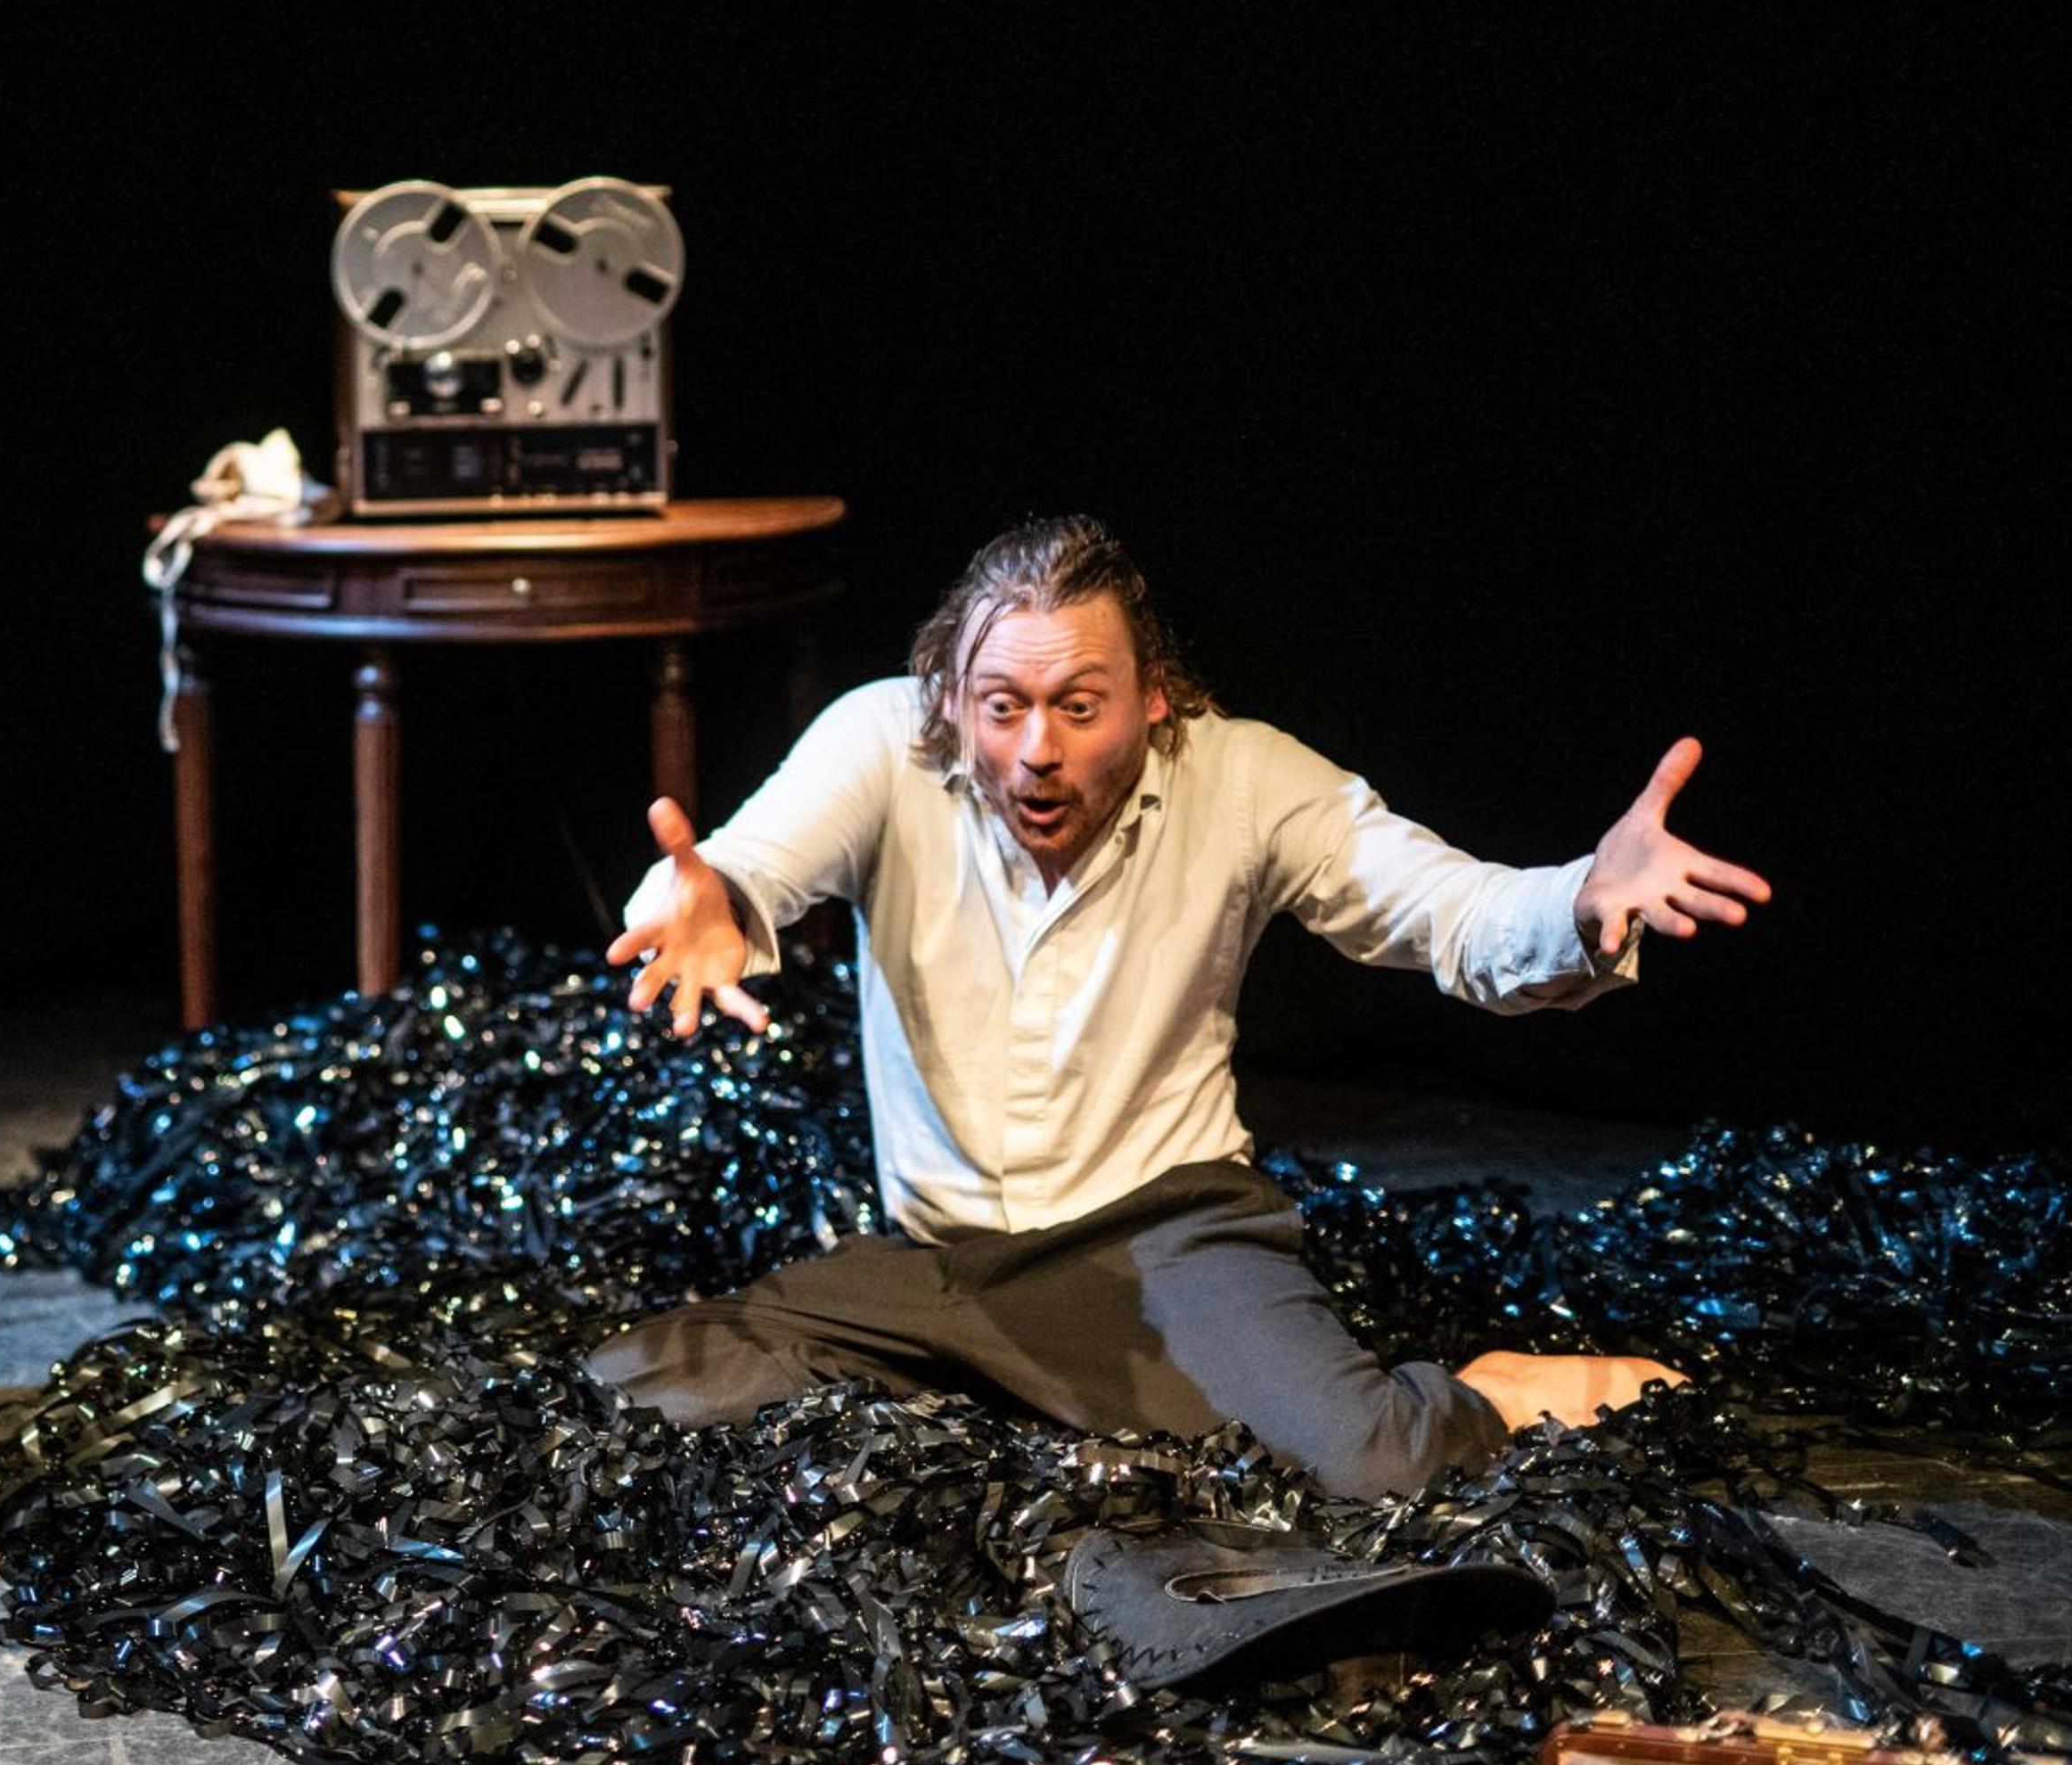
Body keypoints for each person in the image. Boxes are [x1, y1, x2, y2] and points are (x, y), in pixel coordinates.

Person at [595, 515, 1768, 1499]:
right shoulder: (878, 741)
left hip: (1167, 1232)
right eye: (1001, 708)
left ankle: (1495, 1389)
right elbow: (743, 866)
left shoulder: (1247, 777)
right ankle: (1050, 1391)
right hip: (943, 1263)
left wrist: (1579, 903)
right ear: (952, 700)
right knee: (645, 1385)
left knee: (1365, 1462)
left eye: (1077, 705)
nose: (1034, 751)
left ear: (1154, 700)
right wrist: (706, 901)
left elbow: (1447, 913)